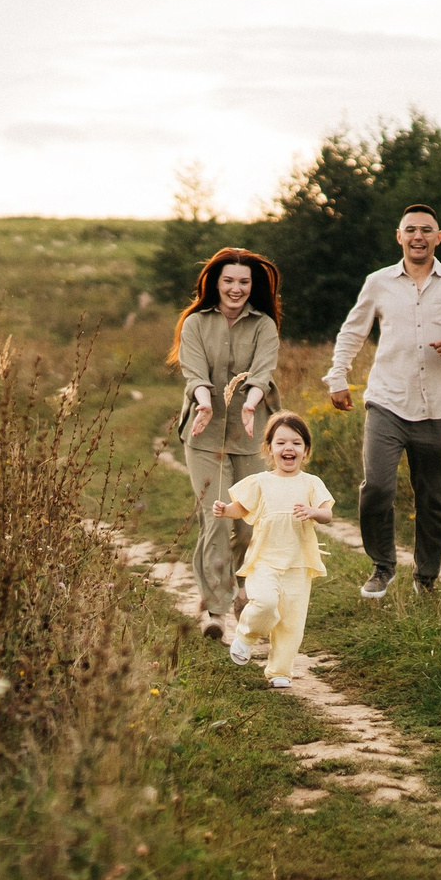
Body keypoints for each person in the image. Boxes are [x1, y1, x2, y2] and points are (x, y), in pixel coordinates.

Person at [324, 204, 441, 595]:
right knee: (377, 488)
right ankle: (382, 565)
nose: (418, 236)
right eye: (411, 229)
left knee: (434, 500)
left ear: (439, 237)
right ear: (399, 236)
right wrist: (337, 376)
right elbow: (352, 332)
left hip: (437, 407)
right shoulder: (378, 282)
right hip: (387, 401)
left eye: (426, 230)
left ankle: (426, 577)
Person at [169, 247, 282, 637]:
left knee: (249, 523)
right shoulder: (196, 324)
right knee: (215, 518)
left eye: (244, 282)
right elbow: (194, 372)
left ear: (253, 286)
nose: (236, 289)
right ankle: (216, 611)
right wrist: (203, 403)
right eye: (229, 281)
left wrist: (250, 405)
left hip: (251, 435)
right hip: (204, 434)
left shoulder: (264, 325)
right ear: (214, 283)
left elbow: (263, 373)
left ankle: (238, 585)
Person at [214, 411, 333, 688]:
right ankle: (245, 635)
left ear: (306, 450)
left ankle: (280, 671)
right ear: (269, 449)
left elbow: (327, 515)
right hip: (265, 560)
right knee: (266, 604)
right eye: (281, 443)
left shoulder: (312, 483)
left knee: (291, 622)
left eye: (296, 443)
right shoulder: (260, 482)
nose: (288, 448)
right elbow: (241, 509)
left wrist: (314, 511)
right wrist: (225, 510)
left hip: (298, 563)